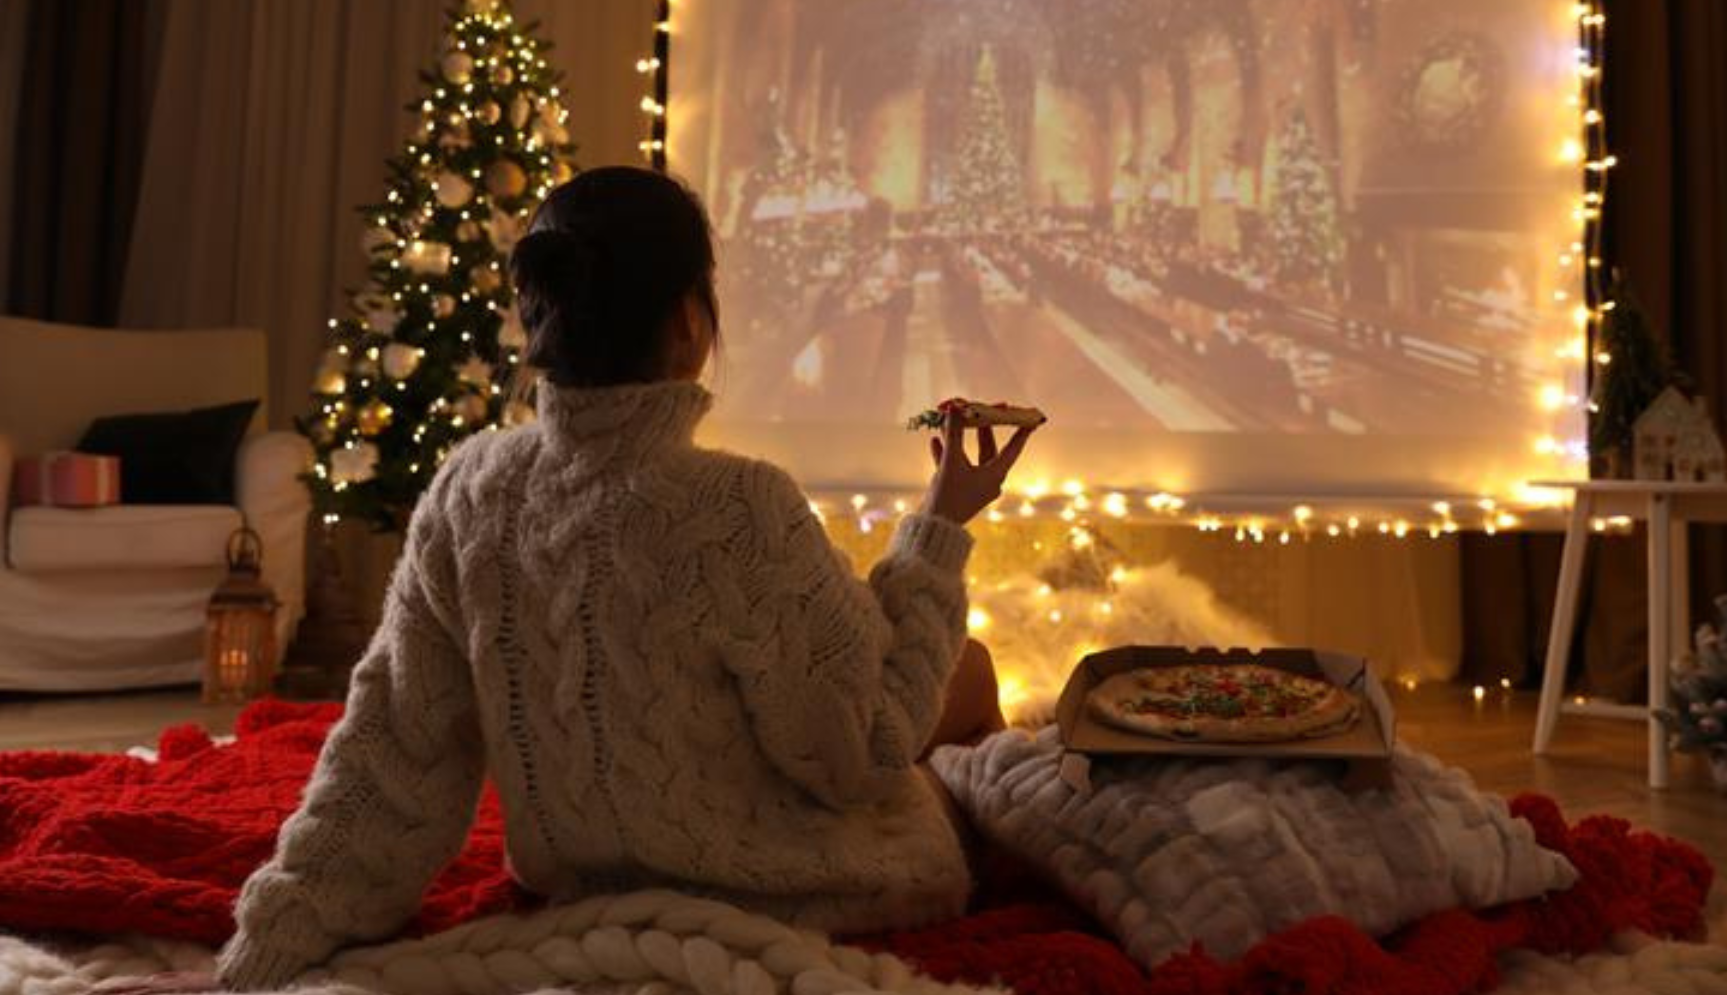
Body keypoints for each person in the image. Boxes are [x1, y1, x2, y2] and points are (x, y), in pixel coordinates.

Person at [102, 167, 1032, 994]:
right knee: (970, 690)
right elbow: (861, 752)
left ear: (540, 315)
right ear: (691, 323)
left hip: (577, 887)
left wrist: (263, 955)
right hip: (802, 890)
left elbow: (387, 756)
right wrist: (941, 526)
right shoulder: (738, 506)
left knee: (953, 678)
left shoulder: (471, 487)